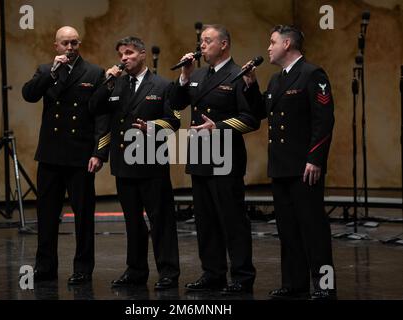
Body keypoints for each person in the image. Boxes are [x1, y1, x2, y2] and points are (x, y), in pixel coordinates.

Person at [244, 25, 336, 300]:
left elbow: (324, 121)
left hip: (304, 167)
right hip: (281, 167)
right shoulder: (275, 80)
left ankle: (325, 285)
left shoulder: (312, 74)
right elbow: (260, 112)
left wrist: (315, 158)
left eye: (272, 42)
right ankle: (294, 283)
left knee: (313, 228)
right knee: (288, 229)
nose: (268, 47)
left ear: (287, 44)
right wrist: (250, 84)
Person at [169, 24, 262, 294]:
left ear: (224, 45)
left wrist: (218, 127)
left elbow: (251, 119)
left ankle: (243, 276)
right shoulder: (197, 74)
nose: (202, 46)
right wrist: (184, 76)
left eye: (207, 41)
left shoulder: (238, 74)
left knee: (232, 220)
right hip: (199, 157)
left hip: (226, 158)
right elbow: (176, 103)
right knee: (206, 221)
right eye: (200, 41)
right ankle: (212, 273)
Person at [89, 36, 181, 290]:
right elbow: (95, 109)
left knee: (161, 221)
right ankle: (136, 270)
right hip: (124, 164)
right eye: (121, 54)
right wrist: (106, 84)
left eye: (129, 53)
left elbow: (174, 122)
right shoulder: (116, 85)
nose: (124, 58)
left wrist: (152, 127)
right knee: (132, 222)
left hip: (152, 165)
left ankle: (168, 272)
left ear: (142, 54)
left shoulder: (162, 85)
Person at [22, 26, 108, 285]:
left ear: (78, 44)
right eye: (65, 44)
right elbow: (29, 95)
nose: (70, 48)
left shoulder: (93, 73)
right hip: (50, 155)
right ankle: (45, 267)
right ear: (55, 46)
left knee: (83, 216)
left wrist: (99, 152)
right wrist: (51, 72)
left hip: (80, 156)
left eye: (73, 43)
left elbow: (102, 115)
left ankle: (83, 268)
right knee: (47, 216)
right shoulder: (46, 70)